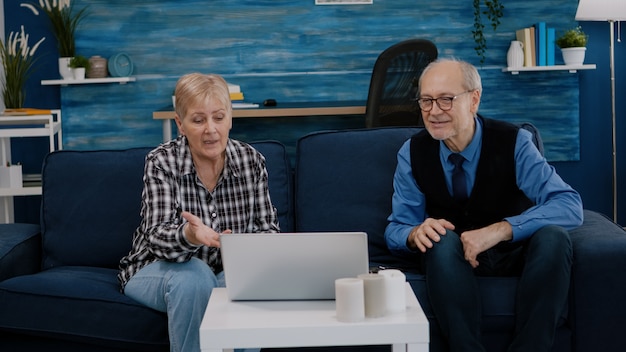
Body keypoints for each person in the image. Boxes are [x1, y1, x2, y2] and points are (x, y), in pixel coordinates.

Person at [384, 58, 583, 352]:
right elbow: (396, 228)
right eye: (426, 101)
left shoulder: (514, 142)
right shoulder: (412, 153)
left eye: (446, 100)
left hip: (513, 252)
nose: (434, 112)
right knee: (438, 240)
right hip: (451, 263)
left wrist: (502, 230)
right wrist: (414, 234)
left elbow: (569, 204)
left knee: (554, 237)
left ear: (474, 99)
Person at [118, 73, 280, 352]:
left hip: (222, 272)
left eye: (218, 117)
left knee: (243, 280)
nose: (211, 129)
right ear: (180, 124)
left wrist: (244, 249)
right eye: (198, 120)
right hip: (155, 268)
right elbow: (156, 237)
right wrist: (189, 235)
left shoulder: (252, 161)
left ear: (230, 118)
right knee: (194, 277)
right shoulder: (161, 162)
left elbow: (268, 232)